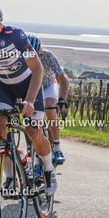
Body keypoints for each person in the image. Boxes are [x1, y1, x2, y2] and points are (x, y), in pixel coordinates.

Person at [0, 3, 57, 196]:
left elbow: (38, 69)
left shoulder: (15, 35)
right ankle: (11, 177)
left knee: (33, 131)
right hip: (4, 85)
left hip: (28, 83)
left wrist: (30, 100)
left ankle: (48, 168)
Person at [27, 34, 70, 165]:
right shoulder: (21, 58)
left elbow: (64, 80)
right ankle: (34, 155)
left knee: (51, 109)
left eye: (36, 54)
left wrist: (62, 99)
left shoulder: (48, 56)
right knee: (31, 118)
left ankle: (57, 148)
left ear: (40, 51)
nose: (34, 58)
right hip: (33, 88)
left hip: (48, 85)